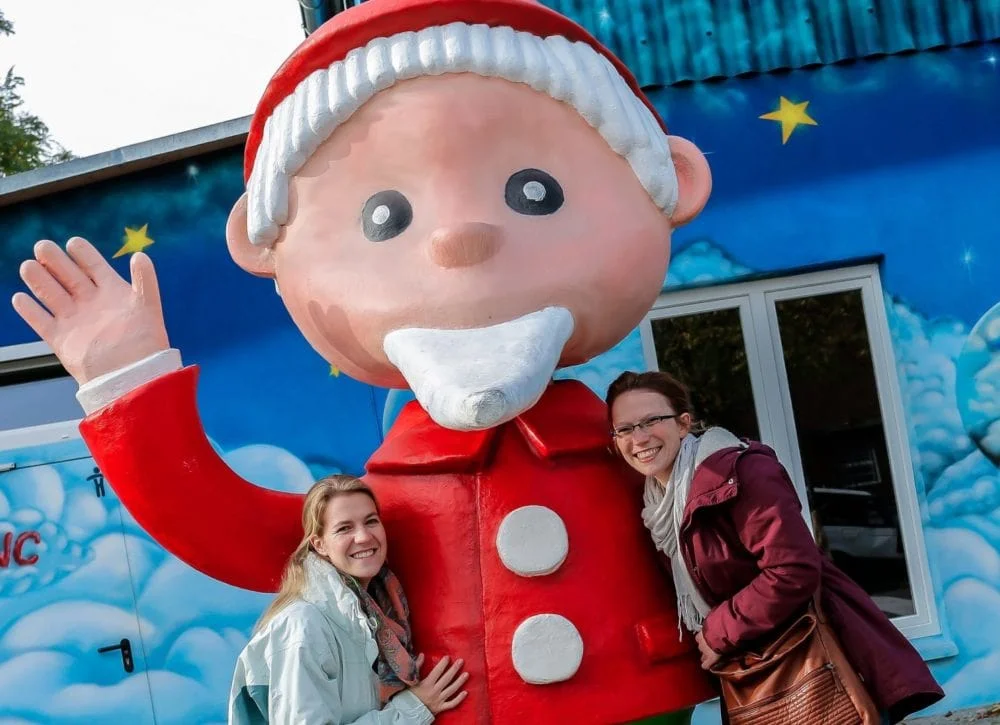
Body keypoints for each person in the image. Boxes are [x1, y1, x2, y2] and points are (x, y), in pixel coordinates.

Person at [11, 0, 718, 721]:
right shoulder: (386, 495)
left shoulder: (628, 444)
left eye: (533, 192)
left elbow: (726, 523)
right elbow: (236, 528)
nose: (459, 237)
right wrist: (127, 381)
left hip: (641, 697)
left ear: (674, 183)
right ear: (264, 245)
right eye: (387, 217)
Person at [605, 370, 945, 724]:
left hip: (813, 663)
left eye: (651, 421)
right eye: (625, 429)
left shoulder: (739, 473)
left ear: (683, 424)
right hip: (753, 673)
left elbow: (793, 569)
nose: (639, 438)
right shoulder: (655, 509)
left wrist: (716, 632)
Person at [229, 474, 469, 724]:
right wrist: (410, 709)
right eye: (345, 528)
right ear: (319, 544)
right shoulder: (303, 625)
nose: (364, 536)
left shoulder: (378, 614)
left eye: (371, 521)